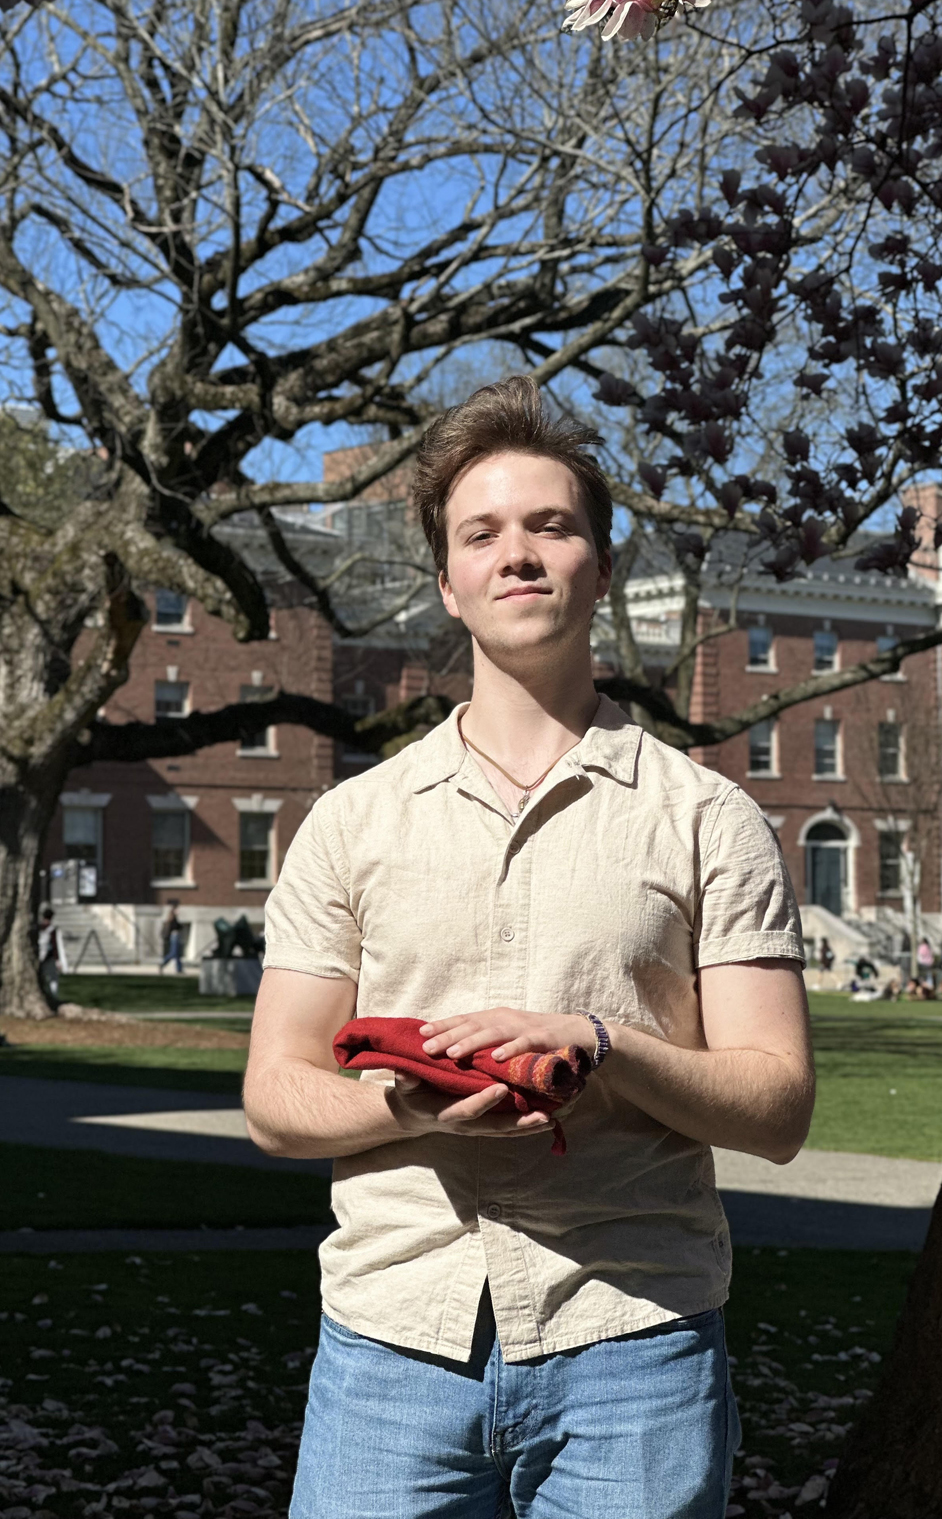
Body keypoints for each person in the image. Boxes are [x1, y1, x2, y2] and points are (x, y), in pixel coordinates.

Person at [243, 377, 815, 1519]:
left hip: (633, 1343)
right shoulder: (354, 821)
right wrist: (404, 1108)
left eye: (551, 526)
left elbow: (776, 1107)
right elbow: (273, 1096)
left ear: (599, 569)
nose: (518, 554)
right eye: (482, 534)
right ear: (447, 584)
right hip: (390, 1346)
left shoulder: (708, 818)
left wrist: (605, 1046)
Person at [36, 906, 66, 1003]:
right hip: (49, 957)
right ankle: (53, 996)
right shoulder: (52, 929)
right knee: (53, 978)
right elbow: (55, 945)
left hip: (39, 957)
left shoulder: (38, 928)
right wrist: (58, 960)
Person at [159, 900, 184, 974]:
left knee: (177, 954)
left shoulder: (173, 918)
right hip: (174, 936)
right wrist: (180, 926)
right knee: (174, 953)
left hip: (175, 936)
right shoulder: (172, 919)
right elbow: (175, 927)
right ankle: (162, 964)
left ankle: (179, 969)